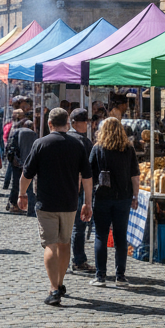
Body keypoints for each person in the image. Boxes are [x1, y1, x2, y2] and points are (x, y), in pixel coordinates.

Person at [17, 108, 93, 306]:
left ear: (50, 124)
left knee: (50, 244)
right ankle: (59, 283)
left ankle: (53, 288)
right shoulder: (77, 145)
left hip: (47, 203)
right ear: (67, 124)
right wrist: (87, 202)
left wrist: (22, 194)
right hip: (69, 202)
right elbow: (87, 177)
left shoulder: (41, 143)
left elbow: (27, 174)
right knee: (64, 243)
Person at [88, 117, 140, 287]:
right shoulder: (128, 149)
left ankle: (100, 276)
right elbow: (135, 175)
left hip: (102, 196)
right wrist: (135, 196)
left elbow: (90, 176)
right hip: (123, 197)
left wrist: (87, 199)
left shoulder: (97, 149)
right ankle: (121, 276)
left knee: (101, 236)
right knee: (120, 237)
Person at [67, 108, 95, 275]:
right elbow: (88, 170)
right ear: (76, 123)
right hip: (77, 189)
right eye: (85, 122)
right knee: (78, 226)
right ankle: (78, 260)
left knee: (65, 227)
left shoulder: (64, 138)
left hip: (61, 188)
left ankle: (63, 260)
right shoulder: (84, 142)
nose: (88, 125)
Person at [5, 118, 38, 215]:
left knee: (16, 183)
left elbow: (10, 146)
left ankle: (14, 204)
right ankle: (31, 209)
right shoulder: (34, 135)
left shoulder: (16, 132)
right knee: (29, 186)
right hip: (29, 163)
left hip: (17, 162)